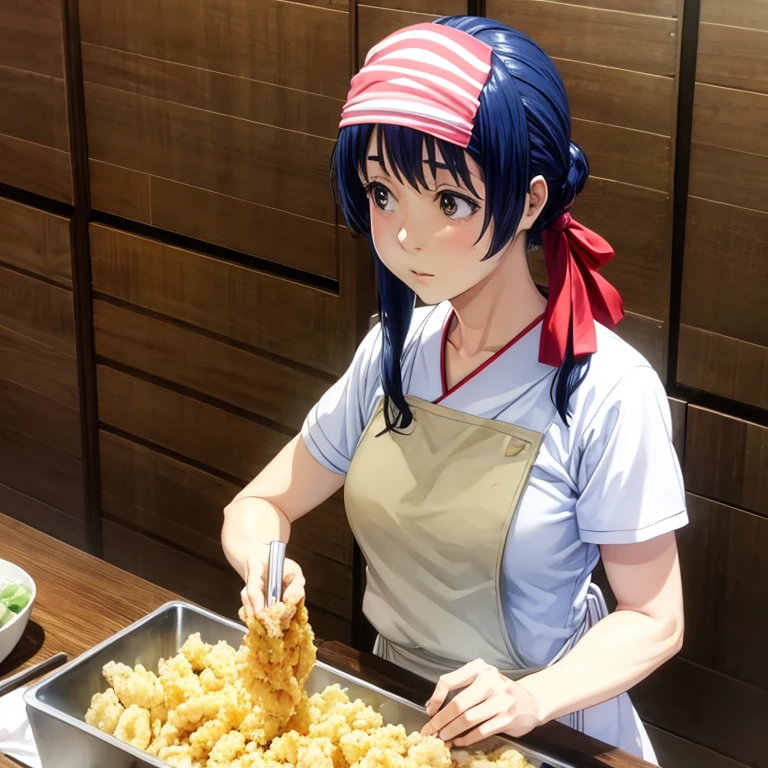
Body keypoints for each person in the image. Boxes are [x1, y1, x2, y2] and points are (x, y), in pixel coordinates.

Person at [221, 15, 686, 764]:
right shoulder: (393, 352)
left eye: (448, 202)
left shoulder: (607, 388)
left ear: (530, 203)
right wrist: (266, 569)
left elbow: (656, 618)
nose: (405, 235)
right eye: (382, 193)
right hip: (396, 719)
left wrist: (529, 697)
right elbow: (258, 505)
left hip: (549, 734)